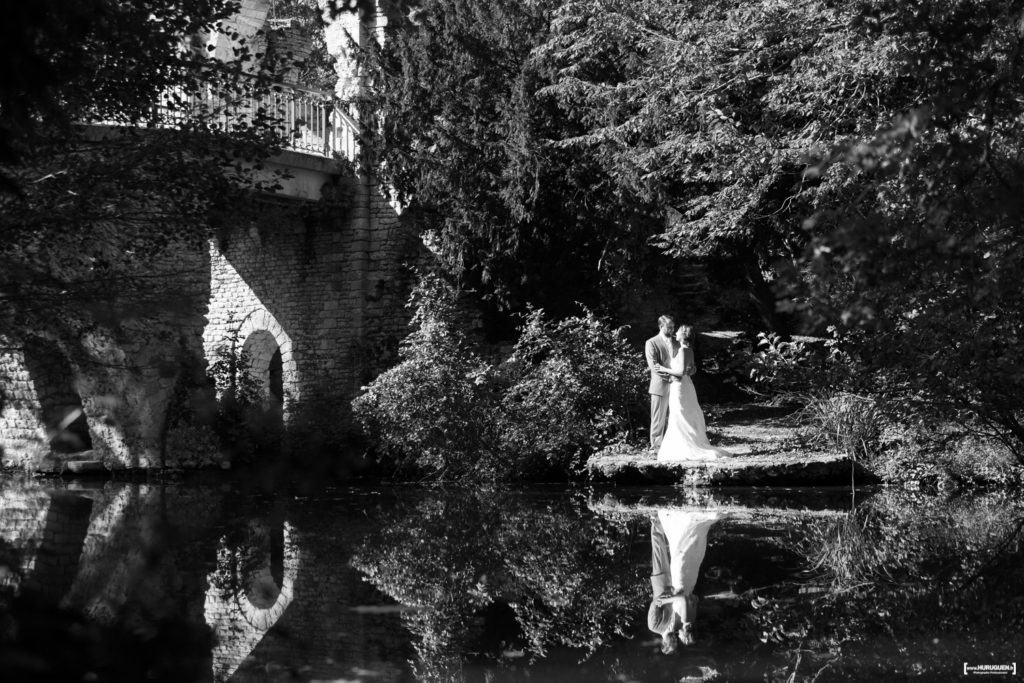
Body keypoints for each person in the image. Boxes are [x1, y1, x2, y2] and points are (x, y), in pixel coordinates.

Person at [647, 508, 724, 651]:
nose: (675, 640)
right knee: (678, 551)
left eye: (673, 643)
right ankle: (674, 522)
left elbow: (655, 604)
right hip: (677, 584)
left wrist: (665, 599)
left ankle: (655, 521)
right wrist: (678, 598)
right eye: (676, 642)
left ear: (664, 643)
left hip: (662, 583)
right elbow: (689, 601)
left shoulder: (654, 626)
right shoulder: (678, 626)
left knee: (659, 551)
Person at [655, 325, 733, 461]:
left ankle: (686, 447)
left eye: (678, 331)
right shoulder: (688, 350)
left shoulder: (684, 350)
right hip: (685, 385)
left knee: (680, 415)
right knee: (681, 415)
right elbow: (692, 370)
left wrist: (663, 369)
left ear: (683, 335)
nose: (675, 333)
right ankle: (682, 445)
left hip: (680, 387)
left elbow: (680, 373)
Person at [644, 315, 677, 451]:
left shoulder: (677, 341)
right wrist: (671, 377)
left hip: (678, 385)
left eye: (673, 327)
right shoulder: (651, 342)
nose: (671, 329)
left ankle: (674, 445)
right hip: (660, 385)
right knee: (658, 418)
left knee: (677, 416)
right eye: (668, 327)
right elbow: (654, 366)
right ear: (660, 326)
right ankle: (656, 447)